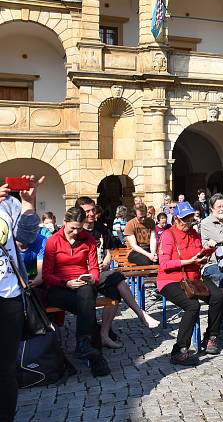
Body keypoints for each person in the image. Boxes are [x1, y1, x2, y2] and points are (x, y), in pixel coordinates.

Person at [76, 197, 160, 347]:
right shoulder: (76, 229)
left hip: (101, 272)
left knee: (114, 293)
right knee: (117, 277)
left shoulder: (101, 228)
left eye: (93, 210)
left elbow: (110, 251)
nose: (91, 213)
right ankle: (141, 314)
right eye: (87, 211)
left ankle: (104, 334)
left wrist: (107, 262)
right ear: (79, 212)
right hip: (82, 275)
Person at [42, 207, 111, 375]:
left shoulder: (88, 240)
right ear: (64, 223)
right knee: (87, 310)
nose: (75, 232)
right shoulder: (53, 241)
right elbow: (46, 275)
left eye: (79, 228)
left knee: (87, 292)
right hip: (59, 287)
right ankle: (92, 353)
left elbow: (94, 268)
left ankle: (84, 345)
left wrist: (91, 279)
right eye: (72, 228)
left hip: (82, 286)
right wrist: (66, 283)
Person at [157, 201, 223, 365]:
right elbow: (164, 264)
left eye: (191, 219)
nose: (189, 223)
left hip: (193, 278)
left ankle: (210, 337)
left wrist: (205, 255)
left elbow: (198, 258)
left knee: (218, 297)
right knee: (192, 306)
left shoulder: (194, 233)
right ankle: (180, 350)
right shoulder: (168, 235)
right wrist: (187, 261)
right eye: (185, 219)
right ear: (177, 219)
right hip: (170, 279)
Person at [0, 176, 43, 421]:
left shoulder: (7, 203)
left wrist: (28, 204)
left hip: (9, 295)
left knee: (5, 369)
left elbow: (25, 239)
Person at [201, 193, 223, 323]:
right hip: (212, 263)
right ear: (211, 208)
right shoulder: (205, 223)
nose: (222, 208)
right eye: (219, 206)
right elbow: (208, 243)